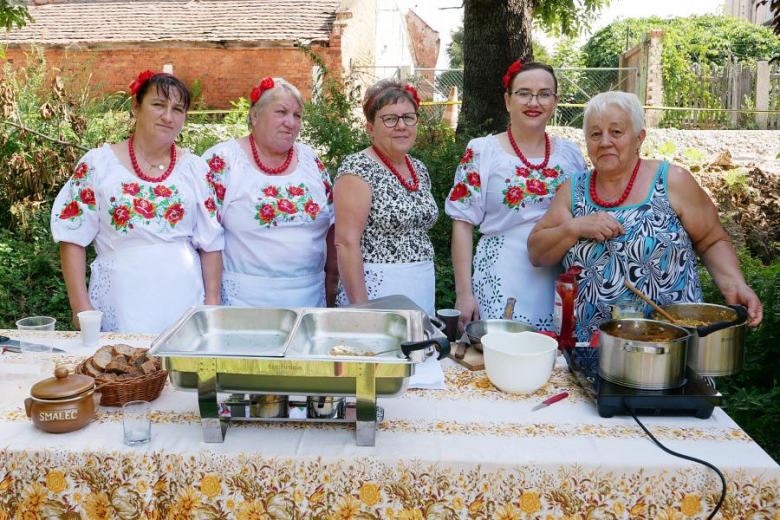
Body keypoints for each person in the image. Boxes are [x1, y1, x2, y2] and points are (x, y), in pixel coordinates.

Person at [528, 91, 763, 342]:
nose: (605, 141)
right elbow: (537, 253)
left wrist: (734, 285)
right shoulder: (573, 191)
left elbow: (712, 240)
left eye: (616, 132)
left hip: (672, 348)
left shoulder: (672, 181)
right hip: (595, 348)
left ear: (639, 138)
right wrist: (574, 227)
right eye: (595, 134)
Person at [51, 71, 224, 334]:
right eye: (158, 105)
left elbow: (211, 243)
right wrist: (80, 306)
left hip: (184, 302)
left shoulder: (196, 169)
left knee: (181, 373)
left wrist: (212, 305)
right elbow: (72, 238)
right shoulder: (97, 165)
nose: (168, 116)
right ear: (135, 107)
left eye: (178, 109)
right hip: (120, 302)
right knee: (123, 372)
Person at [445, 61, 587, 332]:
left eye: (544, 94)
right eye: (523, 93)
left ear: (555, 102)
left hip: (557, 278)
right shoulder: (482, 151)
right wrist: (464, 293)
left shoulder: (570, 155)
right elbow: (462, 224)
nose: (534, 102)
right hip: (501, 275)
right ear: (507, 100)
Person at [202, 77, 337, 307]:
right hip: (243, 303)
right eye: (281, 112)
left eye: (297, 116)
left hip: (309, 301)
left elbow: (333, 228)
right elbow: (205, 238)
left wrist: (333, 287)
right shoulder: (223, 161)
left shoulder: (311, 161)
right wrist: (211, 301)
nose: (290, 122)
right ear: (254, 115)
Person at [334, 79, 439, 315]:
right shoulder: (358, 168)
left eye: (408, 117)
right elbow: (346, 243)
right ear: (370, 128)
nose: (401, 126)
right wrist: (362, 308)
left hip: (420, 285)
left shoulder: (419, 168)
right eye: (390, 119)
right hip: (376, 291)